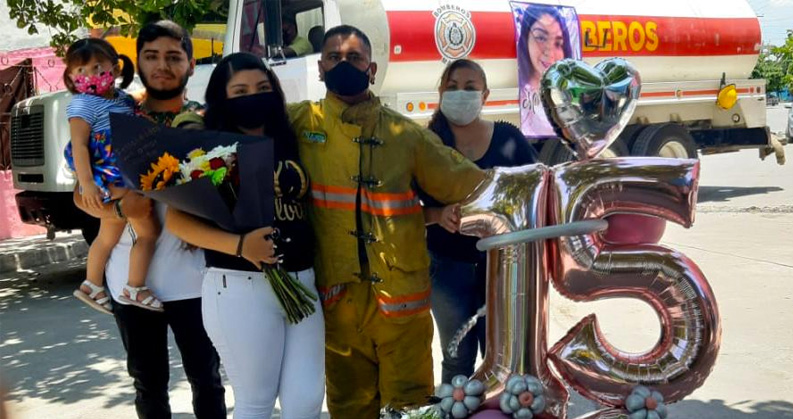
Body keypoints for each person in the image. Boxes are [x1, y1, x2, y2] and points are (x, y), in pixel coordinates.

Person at [287, 25, 486, 418]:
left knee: (411, 407)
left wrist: (538, 186)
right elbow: (238, 130)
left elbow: (468, 182)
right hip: (337, 301)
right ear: (321, 68)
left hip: (401, 300)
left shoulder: (405, 135)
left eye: (354, 58)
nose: (344, 64)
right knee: (349, 407)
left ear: (372, 69)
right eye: (334, 58)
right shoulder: (300, 124)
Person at [73, 20, 226, 419]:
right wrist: (120, 209)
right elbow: (80, 194)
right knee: (148, 385)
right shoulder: (113, 116)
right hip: (129, 283)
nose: (162, 66)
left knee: (207, 380)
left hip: (196, 279)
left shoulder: (206, 121)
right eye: (152, 56)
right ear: (137, 62)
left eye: (174, 57)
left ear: (190, 64)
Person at [166, 52, 324, 419]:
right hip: (239, 285)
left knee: (306, 401)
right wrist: (240, 246)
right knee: (256, 402)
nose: (253, 96)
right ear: (222, 98)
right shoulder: (210, 149)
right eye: (240, 91)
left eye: (262, 87)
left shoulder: (288, 137)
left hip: (301, 283)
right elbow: (177, 220)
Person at [420, 59, 537, 383]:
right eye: (453, 87)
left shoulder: (508, 139)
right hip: (446, 270)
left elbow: (536, 195)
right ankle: (455, 406)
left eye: (470, 88)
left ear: (485, 95)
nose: (461, 93)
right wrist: (437, 215)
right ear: (441, 92)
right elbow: (402, 209)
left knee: (501, 358)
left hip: (503, 269)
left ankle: (496, 407)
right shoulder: (426, 146)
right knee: (456, 360)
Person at [64, 38, 163, 314]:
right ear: (71, 77)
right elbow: (79, 145)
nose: (90, 75)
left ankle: (92, 285)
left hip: (124, 170)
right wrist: (87, 184)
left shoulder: (122, 99)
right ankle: (135, 286)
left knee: (108, 235)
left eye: (98, 67)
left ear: (116, 68)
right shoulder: (82, 105)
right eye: (81, 71)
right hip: (113, 177)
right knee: (149, 232)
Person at [517, 5, 572, 137]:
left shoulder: (566, 96)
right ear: (525, 39)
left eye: (558, 44)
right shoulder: (522, 95)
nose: (550, 52)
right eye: (541, 38)